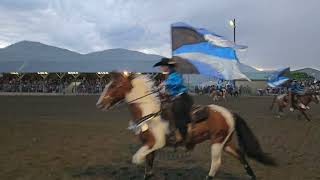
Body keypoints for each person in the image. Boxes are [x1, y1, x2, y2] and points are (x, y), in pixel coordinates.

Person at [153, 57, 193, 144]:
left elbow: (177, 83)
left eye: (162, 66)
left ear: (167, 66)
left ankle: (183, 132)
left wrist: (165, 84)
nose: (161, 68)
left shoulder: (176, 74)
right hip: (173, 97)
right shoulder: (168, 75)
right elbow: (168, 90)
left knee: (176, 110)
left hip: (182, 96)